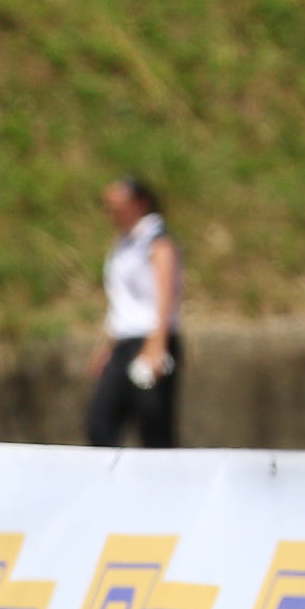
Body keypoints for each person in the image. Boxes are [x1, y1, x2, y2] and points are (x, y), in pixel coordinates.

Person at [84, 176, 181, 449]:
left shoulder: (157, 241)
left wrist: (157, 343)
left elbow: (166, 292)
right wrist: (108, 346)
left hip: (151, 338)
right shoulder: (124, 244)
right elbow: (122, 302)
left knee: (154, 424)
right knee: (100, 421)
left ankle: (160, 476)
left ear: (140, 203)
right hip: (124, 341)